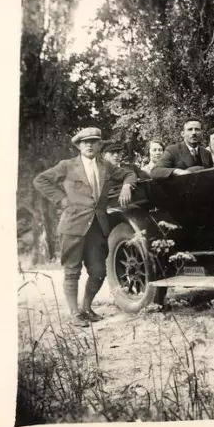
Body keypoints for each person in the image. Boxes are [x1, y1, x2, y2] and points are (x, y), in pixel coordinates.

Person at [33, 127, 136, 327]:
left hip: (98, 226)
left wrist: (126, 186)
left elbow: (130, 174)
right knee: (72, 271)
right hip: (73, 225)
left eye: (93, 141)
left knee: (99, 271)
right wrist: (61, 199)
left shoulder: (106, 166)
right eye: (85, 142)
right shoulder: (67, 165)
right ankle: (74, 314)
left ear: (99, 145)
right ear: (79, 145)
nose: (89, 145)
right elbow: (40, 180)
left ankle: (86, 308)